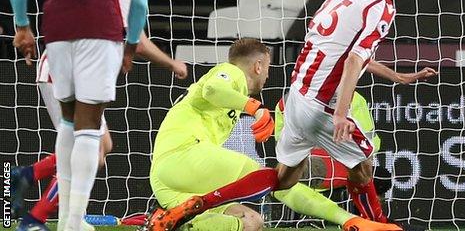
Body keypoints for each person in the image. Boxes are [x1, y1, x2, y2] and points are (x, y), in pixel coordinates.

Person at [150, 0, 436, 230]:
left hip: (297, 97)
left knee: (283, 179)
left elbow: (341, 49)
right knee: (363, 168)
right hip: (323, 103)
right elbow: (353, 60)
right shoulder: (382, 6)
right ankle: (378, 225)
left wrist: (397, 75)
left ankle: (201, 203)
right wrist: (339, 114)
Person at [10, 0, 187, 231]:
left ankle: (35, 185)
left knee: (98, 147)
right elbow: (141, 42)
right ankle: (38, 216)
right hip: (65, 71)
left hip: (62, 65)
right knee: (93, 150)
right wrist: (172, 64)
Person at [8, 0, 149, 229]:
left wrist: (23, 26)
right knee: (90, 129)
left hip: (56, 28)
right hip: (99, 30)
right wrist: (131, 42)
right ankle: (72, 221)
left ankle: (63, 216)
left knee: (69, 124)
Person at [146, 39, 399, 231]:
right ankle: (351, 222)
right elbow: (213, 89)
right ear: (257, 66)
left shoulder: (229, 95)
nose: (267, 75)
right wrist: (255, 109)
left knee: (251, 221)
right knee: (274, 180)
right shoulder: (230, 73)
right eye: (267, 68)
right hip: (183, 155)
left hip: (167, 182)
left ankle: (173, 221)